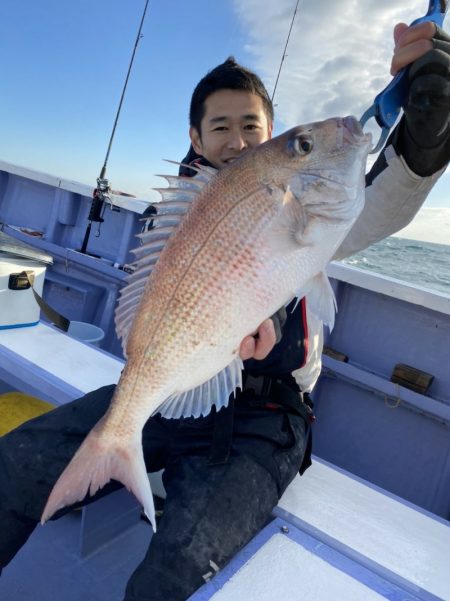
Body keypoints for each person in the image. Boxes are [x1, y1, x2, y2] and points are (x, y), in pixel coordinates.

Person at [0, 20, 449, 601]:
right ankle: (113, 448)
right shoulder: (178, 215)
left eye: (252, 127)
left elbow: (379, 205)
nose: (236, 140)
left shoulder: (308, 210)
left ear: (268, 133)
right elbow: (177, 303)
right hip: (165, 391)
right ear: (196, 136)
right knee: (12, 465)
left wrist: (425, 137)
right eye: (220, 126)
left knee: (173, 579)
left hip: (265, 420)